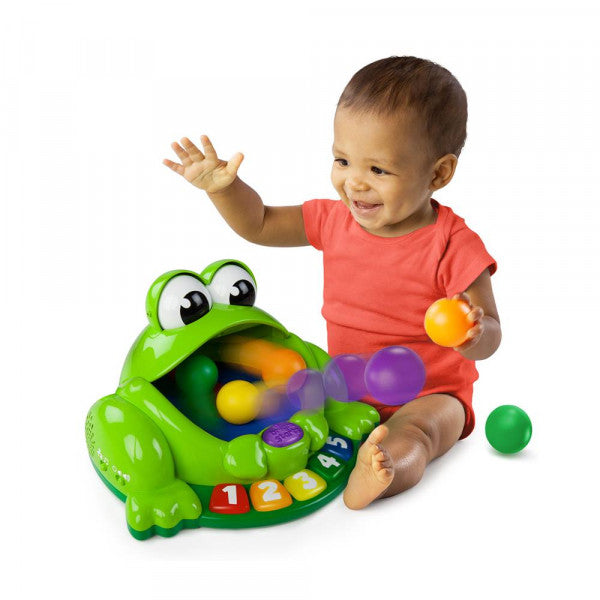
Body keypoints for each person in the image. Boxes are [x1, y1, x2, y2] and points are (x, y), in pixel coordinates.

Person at [163, 56, 501, 510]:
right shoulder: (332, 220)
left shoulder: (452, 244)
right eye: (342, 160)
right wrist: (223, 188)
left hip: (429, 394)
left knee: (419, 432)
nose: (354, 183)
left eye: (378, 170)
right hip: (346, 388)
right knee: (279, 393)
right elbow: (259, 223)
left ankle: (383, 470)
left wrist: (474, 332)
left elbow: (491, 335)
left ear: (438, 174)